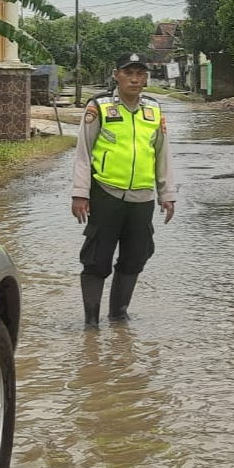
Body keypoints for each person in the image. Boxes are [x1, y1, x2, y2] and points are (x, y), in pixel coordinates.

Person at [71, 52, 177, 329]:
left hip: (142, 198)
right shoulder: (100, 107)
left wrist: (167, 194)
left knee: (135, 257)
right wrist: (80, 193)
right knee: (96, 259)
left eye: (140, 73)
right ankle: (91, 322)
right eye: (128, 73)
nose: (134, 79)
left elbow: (162, 154)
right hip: (106, 193)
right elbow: (83, 153)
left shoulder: (153, 110)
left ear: (146, 77)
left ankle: (118, 316)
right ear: (116, 74)